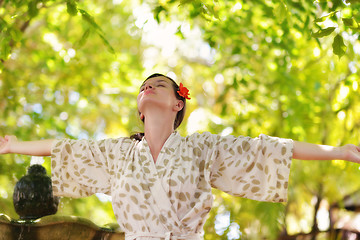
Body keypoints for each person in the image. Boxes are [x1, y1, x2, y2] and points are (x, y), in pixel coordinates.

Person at [0, 73, 359, 240]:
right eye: (144, 85)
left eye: (159, 83)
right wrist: (13, 145)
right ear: (140, 111)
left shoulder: (201, 148)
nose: (148, 86)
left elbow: (270, 148)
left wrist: (340, 152)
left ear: (178, 102)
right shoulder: (118, 153)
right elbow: (63, 147)